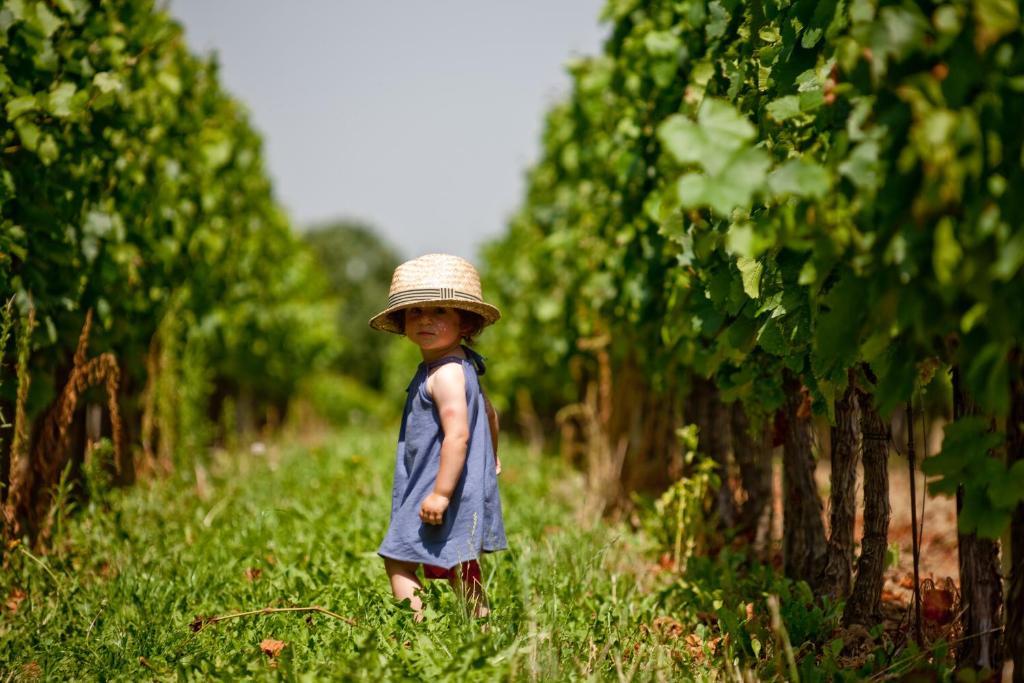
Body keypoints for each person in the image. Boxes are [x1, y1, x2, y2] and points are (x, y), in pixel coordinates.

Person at [369, 253, 507, 620]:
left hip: (439, 485)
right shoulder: (461, 366)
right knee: (459, 562)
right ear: (403, 321)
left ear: (466, 323)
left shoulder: (445, 374)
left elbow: (458, 434)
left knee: (398, 559)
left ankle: (417, 629)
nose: (425, 319)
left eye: (440, 311)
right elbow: (490, 413)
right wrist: (491, 457)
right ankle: (480, 625)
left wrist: (441, 493)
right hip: (456, 482)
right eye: (415, 311)